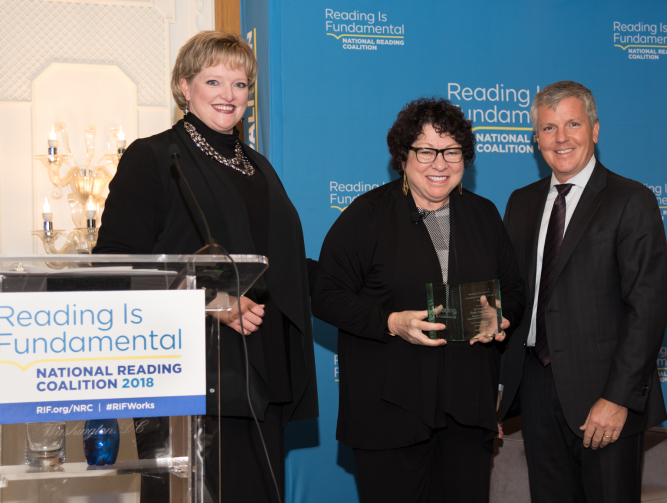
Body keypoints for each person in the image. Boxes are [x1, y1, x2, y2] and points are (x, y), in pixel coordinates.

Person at [93, 30, 318, 502]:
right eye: (214, 81)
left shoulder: (258, 167)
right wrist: (209, 303)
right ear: (183, 86)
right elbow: (114, 271)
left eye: (240, 85)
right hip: (187, 380)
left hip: (260, 377)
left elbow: (283, 264)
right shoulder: (154, 157)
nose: (229, 95)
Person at [312, 97, 525, 503]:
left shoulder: (483, 215)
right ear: (403, 156)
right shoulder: (368, 214)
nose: (439, 163)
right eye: (426, 150)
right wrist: (391, 322)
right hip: (389, 410)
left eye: (451, 151)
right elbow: (325, 294)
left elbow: (513, 291)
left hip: (466, 410)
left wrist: (500, 317)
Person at [498, 81, 667, 502]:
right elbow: (512, 299)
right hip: (535, 388)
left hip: (604, 393)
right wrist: (497, 386)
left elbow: (646, 308)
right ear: (535, 139)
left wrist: (618, 397)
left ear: (594, 129)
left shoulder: (631, 200)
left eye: (573, 124)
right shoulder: (520, 202)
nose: (561, 138)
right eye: (548, 128)